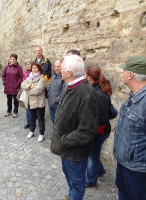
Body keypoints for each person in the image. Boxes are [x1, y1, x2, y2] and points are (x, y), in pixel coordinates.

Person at [50, 55, 98, 200]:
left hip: (74, 152)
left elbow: (87, 130)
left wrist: (64, 140)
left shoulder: (86, 93)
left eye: (62, 68)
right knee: (70, 179)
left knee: (77, 184)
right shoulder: (72, 86)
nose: (59, 70)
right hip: (67, 150)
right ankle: (71, 195)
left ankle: (74, 196)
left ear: (69, 73)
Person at [113, 56, 146, 200]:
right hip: (125, 163)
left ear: (130, 74)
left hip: (139, 169)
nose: (123, 73)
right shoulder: (136, 94)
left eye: (124, 70)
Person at [85, 65, 112, 187]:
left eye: (85, 74)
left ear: (89, 77)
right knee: (94, 154)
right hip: (97, 130)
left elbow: (102, 119)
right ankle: (100, 171)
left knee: (92, 156)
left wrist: (91, 130)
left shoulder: (99, 94)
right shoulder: (94, 89)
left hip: (99, 131)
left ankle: (90, 181)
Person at [21, 62, 46, 142]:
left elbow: (38, 90)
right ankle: (32, 131)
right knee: (32, 118)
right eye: (32, 68)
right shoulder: (29, 77)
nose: (34, 70)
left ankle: (41, 134)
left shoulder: (41, 78)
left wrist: (27, 90)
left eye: (35, 68)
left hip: (39, 103)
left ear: (39, 69)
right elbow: (22, 85)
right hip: (30, 102)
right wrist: (29, 86)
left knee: (40, 119)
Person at [2, 53, 23, 118]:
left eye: (14, 59)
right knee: (9, 99)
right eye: (11, 59)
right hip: (8, 86)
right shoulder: (7, 67)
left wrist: (17, 84)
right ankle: (9, 110)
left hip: (15, 87)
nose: (12, 60)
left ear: (16, 60)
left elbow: (21, 77)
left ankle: (15, 111)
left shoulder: (19, 68)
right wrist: (5, 83)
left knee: (16, 100)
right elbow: (3, 75)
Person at [23, 59, 32, 129]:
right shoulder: (26, 73)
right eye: (26, 64)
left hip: (33, 92)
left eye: (29, 64)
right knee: (27, 107)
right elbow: (23, 83)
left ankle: (32, 122)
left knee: (33, 108)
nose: (28, 66)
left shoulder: (34, 71)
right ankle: (28, 122)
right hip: (26, 92)